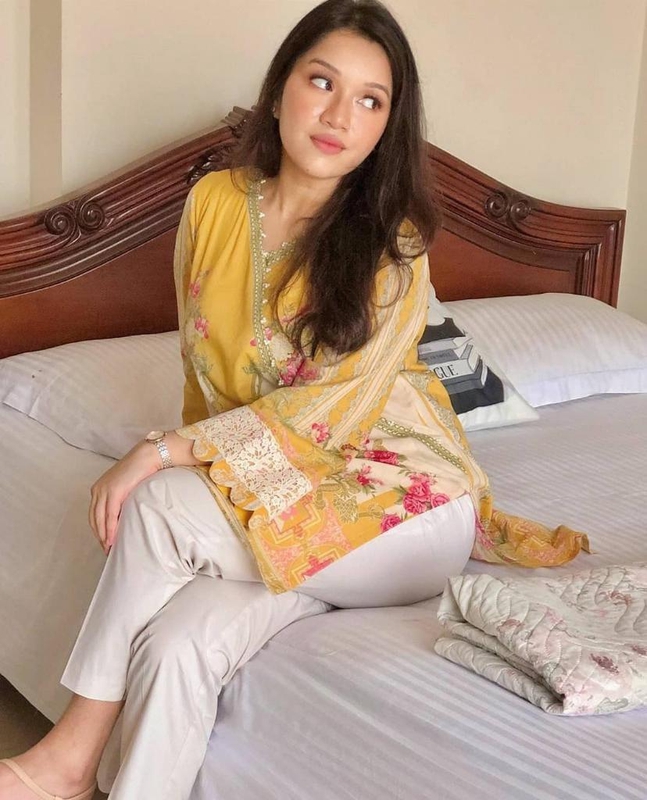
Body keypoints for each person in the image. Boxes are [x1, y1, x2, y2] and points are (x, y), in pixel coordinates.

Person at [0, 1, 589, 799]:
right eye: (322, 82)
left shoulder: (393, 243)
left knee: (161, 508)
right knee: (177, 644)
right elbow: (203, 369)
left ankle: (66, 762)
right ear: (280, 89)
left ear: (386, 126)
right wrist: (205, 462)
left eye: (370, 100)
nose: (339, 115)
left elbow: (332, 410)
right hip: (282, 491)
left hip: (404, 507)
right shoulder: (212, 203)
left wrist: (165, 453)